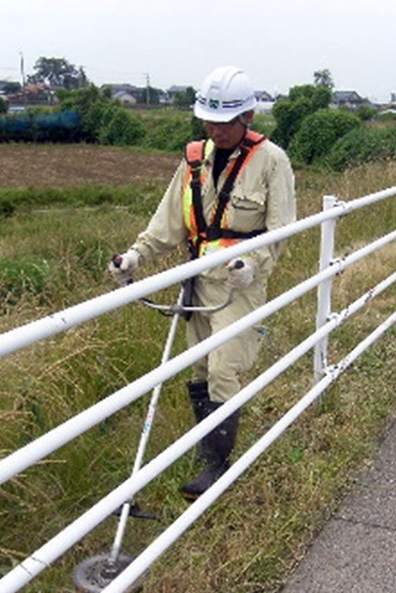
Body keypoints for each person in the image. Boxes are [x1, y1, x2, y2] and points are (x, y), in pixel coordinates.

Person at [109, 66, 296, 500]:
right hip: (198, 282)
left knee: (223, 368)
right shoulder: (195, 158)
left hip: (240, 285)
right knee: (197, 369)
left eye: (225, 121)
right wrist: (136, 255)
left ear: (248, 116)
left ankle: (218, 465)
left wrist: (253, 264)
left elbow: (281, 229)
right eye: (209, 120)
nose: (216, 129)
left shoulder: (273, 161)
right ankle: (208, 448)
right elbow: (168, 222)